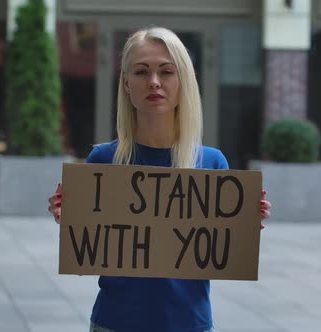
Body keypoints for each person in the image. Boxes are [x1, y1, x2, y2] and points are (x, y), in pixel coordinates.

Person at [48, 26, 272, 332]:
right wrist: (71, 220)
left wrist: (243, 226)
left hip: (190, 325)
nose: (154, 82)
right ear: (126, 84)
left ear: (183, 82)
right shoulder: (102, 161)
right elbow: (92, 253)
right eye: (141, 72)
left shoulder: (212, 162)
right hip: (114, 323)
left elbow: (218, 254)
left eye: (166, 72)